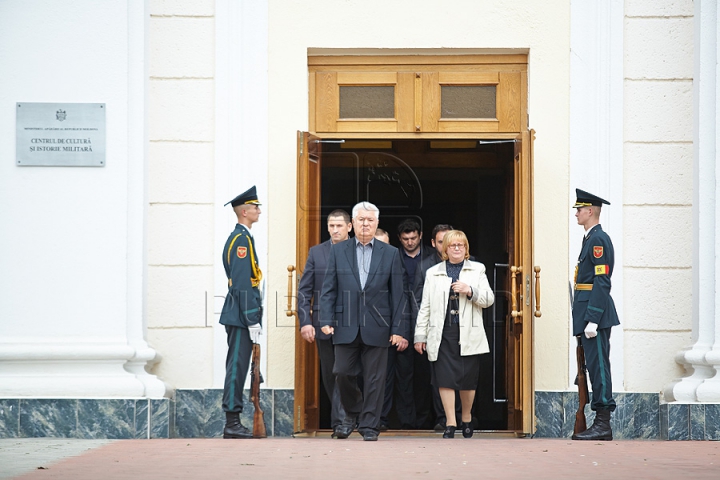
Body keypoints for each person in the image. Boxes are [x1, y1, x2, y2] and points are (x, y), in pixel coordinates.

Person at [320, 201, 407, 441]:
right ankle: (354, 411)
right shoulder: (339, 251)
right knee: (342, 372)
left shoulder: (390, 253)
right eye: (361, 220)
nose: (365, 224)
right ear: (353, 224)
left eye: (370, 220)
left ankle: (370, 426)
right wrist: (325, 318)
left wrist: (399, 329)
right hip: (345, 325)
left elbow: (399, 294)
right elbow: (329, 289)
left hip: (379, 326)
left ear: (377, 223)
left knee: (375, 379)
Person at [414, 230, 494, 439]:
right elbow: (426, 306)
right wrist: (420, 336)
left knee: (468, 378)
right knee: (444, 378)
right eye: (452, 245)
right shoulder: (433, 272)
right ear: (445, 249)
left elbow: (489, 299)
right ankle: (450, 422)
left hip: (468, 331)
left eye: (461, 245)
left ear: (466, 249)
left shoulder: (477, 269)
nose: (457, 249)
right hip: (442, 331)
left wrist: (470, 290)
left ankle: (466, 417)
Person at [297, 209, 352, 437]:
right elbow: (304, 290)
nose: (335, 230)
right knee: (331, 373)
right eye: (331, 226)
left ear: (349, 227)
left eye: (339, 226)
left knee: (347, 372)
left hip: (352, 321)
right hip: (322, 323)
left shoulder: (359, 250)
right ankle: (341, 421)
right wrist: (305, 322)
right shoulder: (317, 252)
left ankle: (348, 417)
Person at [571, 189, 620, 441]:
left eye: (579, 209)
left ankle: (603, 423)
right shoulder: (589, 238)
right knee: (591, 367)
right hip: (587, 313)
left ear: (590, 211)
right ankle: (599, 421)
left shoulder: (598, 240)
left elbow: (602, 281)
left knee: (599, 367)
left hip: (595, 315)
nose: (576, 213)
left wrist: (593, 317)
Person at [218, 185, 264, 439]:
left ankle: (233, 421)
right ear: (244, 211)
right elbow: (243, 284)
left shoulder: (243, 237)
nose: (259, 210)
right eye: (256, 206)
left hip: (241, 315)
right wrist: (251, 318)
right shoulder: (241, 240)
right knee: (236, 367)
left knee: (241, 365)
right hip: (240, 315)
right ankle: (232, 422)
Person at [381, 219, 432, 430]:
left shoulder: (433, 256)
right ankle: (406, 422)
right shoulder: (393, 255)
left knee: (424, 375)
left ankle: (424, 421)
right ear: (399, 239)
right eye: (405, 239)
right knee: (402, 375)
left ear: (420, 236)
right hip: (400, 320)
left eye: (413, 238)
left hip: (425, 320)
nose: (410, 242)